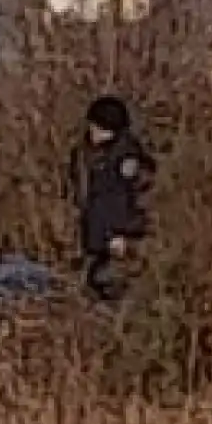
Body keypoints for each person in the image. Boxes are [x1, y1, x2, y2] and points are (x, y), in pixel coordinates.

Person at [68, 94, 154, 300]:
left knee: (114, 287)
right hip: (94, 235)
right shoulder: (84, 152)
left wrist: (122, 232)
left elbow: (130, 198)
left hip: (117, 239)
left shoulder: (127, 157)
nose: (92, 131)